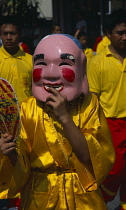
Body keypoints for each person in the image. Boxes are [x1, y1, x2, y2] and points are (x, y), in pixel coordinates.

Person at [0, 34, 115, 210]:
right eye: (41, 64)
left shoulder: (89, 105)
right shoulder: (28, 108)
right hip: (40, 195)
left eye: (65, 64)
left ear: (81, 69)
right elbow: (23, 160)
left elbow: (92, 157)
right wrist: (11, 153)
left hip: (82, 195)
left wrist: (65, 118)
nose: (51, 74)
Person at [0, 15, 33, 209]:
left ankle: (27, 199)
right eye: (5, 33)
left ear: (20, 35)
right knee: (5, 164)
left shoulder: (31, 60)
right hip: (1, 123)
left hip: (27, 122)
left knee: (28, 162)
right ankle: (11, 202)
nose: (8, 37)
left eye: (13, 33)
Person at [87, 9, 126, 210]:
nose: (124, 37)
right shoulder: (97, 62)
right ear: (108, 33)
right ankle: (98, 203)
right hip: (110, 125)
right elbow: (92, 99)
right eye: (120, 32)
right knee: (113, 171)